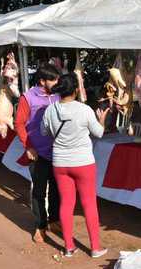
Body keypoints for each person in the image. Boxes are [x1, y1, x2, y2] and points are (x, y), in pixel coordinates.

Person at [41, 74, 109, 258]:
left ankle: (69, 247)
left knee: (66, 203)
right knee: (89, 204)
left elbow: (44, 131)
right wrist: (101, 118)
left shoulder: (50, 110)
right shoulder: (85, 110)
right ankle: (95, 248)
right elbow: (99, 133)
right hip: (83, 162)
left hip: (60, 162)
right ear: (77, 90)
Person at [14, 62, 61, 243]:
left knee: (57, 189)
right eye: (53, 79)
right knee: (39, 191)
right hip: (37, 152)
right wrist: (28, 146)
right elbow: (19, 123)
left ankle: (54, 220)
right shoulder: (28, 97)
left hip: (58, 152)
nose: (57, 82)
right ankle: (40, 226)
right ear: (42, 81)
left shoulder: (58, 95)